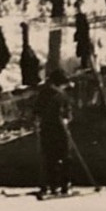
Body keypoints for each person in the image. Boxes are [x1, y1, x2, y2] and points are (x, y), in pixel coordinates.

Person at [35, 68, 74, 196]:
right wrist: (67, 119)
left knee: (52, 156)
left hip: (51, 128)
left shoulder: (49, 94)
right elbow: (67, 112)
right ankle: (61, 184)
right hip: (55, 128)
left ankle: (55, 184)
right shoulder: (58, 95)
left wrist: (67, 118)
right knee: (62, 156)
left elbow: (37, 111)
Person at [19, 23, 43, 88]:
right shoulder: (30, 59)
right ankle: (25, 29)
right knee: (25, 45)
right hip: (30, 76)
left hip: (29, 75)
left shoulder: (30, 59)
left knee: (25, 45)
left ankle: (25, 29)